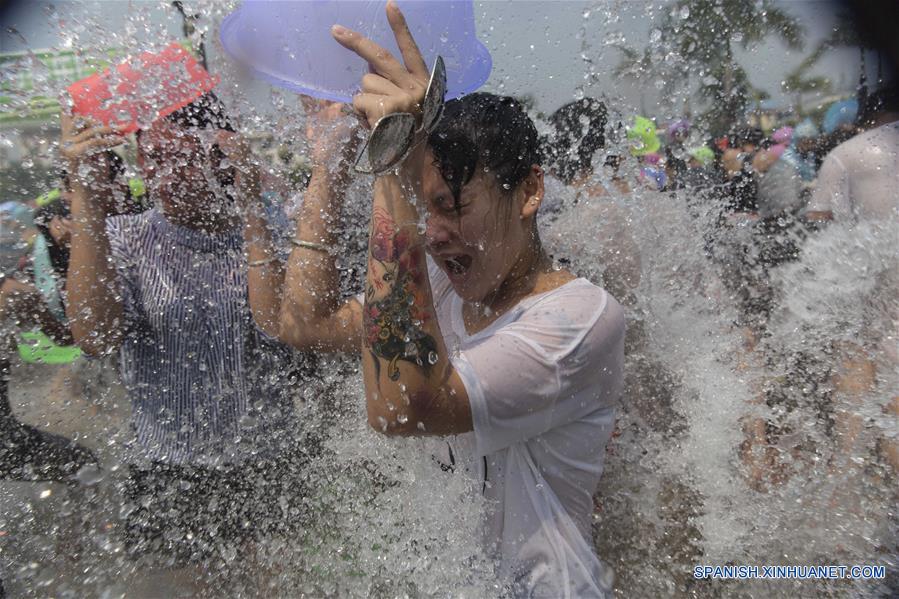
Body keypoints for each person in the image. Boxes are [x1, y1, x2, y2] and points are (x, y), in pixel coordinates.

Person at [274, 3, 625, 596]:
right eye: (425, 204)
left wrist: (392, 164)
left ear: (531, 191)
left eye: (454, 205)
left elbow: (402, 409)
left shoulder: (579, 319)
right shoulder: (438, 286)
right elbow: (304, 325)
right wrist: (328, 161)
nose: (433, 235)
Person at [61, 89, 304, 568]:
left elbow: (286, 330)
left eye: (180, 159)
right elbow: (95, 337)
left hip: (269, 464)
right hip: (166, 470)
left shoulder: (271, 234)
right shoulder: (125, 239)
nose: (159, 175)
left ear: (220, 156)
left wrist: (251, 200)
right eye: (150, 158)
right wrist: (85, 201)